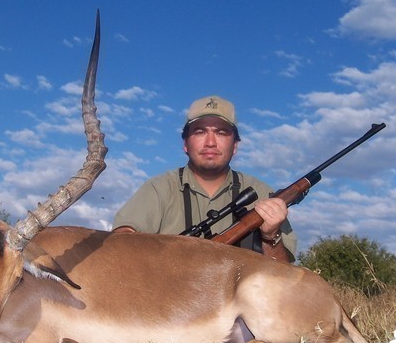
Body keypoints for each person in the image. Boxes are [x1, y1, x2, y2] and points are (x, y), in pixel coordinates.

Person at [112, 95, 297, 262]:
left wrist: (271, 236)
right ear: (185, 144)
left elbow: (284, 271)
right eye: (200, 132)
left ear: (235, 146)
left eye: (221, 132)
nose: (210, 142)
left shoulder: (262, 193)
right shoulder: (158, 188)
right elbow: (121, 240)